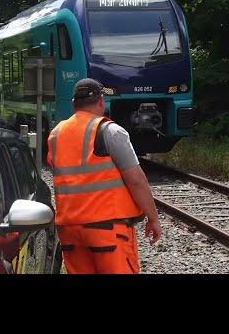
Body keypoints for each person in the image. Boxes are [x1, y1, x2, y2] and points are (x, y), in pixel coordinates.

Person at [46, 78, 162, 274]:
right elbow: (136, 179)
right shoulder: (110, 131)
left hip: (70, 231)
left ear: (74, 103)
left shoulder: (56, 134)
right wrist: (152, 217)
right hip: (107, 230)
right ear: (101, 101)